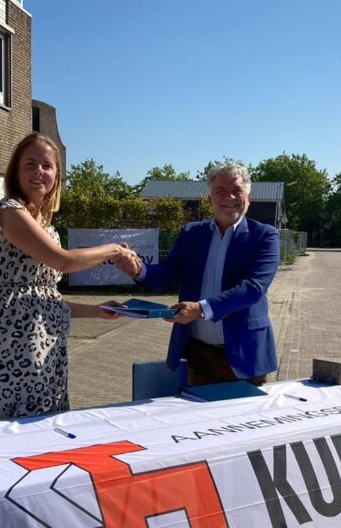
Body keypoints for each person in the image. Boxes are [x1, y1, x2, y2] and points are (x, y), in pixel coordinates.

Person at [0, 133, 141, 421]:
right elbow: (63, 262)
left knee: (36, 424)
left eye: (47, 166)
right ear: (16, 171)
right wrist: (113, 249)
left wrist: (97, 311)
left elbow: (42, 298)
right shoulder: (10, 212)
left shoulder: (48, 228)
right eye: (30, 164)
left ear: (56, 176)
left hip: (42, 342)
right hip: (7, 341)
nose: (39, 171)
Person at [115, 161, 279, 386]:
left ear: (248, 198)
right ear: (210, 199)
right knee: (198, 420)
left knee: (244, 421)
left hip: (246, 356)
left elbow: (253, 289)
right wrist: (138, 269)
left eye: (236, 191)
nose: (229, 198)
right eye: (221, 191)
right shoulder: (191, 233)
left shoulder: (265, 237)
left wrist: (200, 309)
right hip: (198, 356)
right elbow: (166, 274)